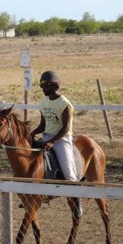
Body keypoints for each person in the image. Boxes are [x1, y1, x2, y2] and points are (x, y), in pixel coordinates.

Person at [30, 70, 83, 218]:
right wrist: (32, 133)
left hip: (62, 140)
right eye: (41, 86)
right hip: (46, 137)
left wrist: (53, 141)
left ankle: (77, 201)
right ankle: (34, 196)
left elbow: (66, 127)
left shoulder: (65, 104)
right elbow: (43, 125)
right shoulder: (43, 103)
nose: (42, 89)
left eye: (44, 86)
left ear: (54, 86)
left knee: (69, 173)